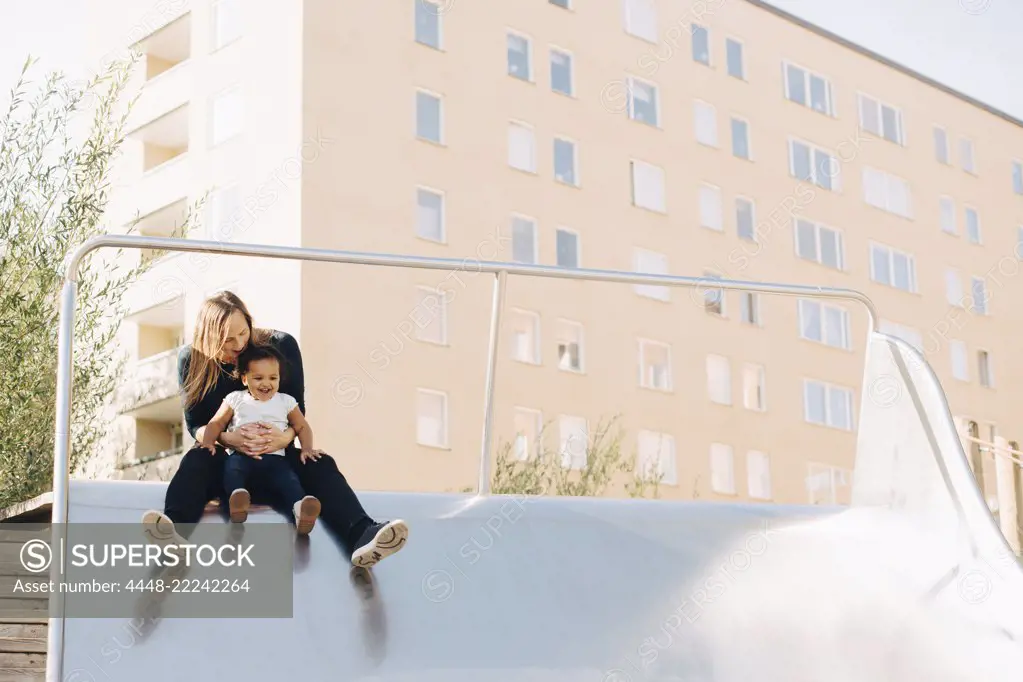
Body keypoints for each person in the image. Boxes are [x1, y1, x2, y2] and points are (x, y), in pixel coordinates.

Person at [141, 291, 408, 569]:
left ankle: (362, 534)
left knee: (320, 461)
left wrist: (285, 437)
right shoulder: (191, 359)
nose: (239, 345)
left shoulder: (281, 346)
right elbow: (195, 424)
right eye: (227, 341)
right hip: (228, 470)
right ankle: (172, 534)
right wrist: (227, 438)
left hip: (279, 463)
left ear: (249, 322)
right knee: (196, 458)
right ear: (208, 338)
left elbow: (298, 413)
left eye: (243, 333)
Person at [199, 343, 322, 535]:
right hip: (241, 456)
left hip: (275, 459)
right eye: (258, 378)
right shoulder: (235, 398)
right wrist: (208, 443)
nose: (266, 383)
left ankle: (301, 510)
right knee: (232, 470)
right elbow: (216, 423)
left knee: (289, 480)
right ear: (244, 379)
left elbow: (302, 426)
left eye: (273, 378)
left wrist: (307, 448)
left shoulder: (286, 401)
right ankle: (237, 501)